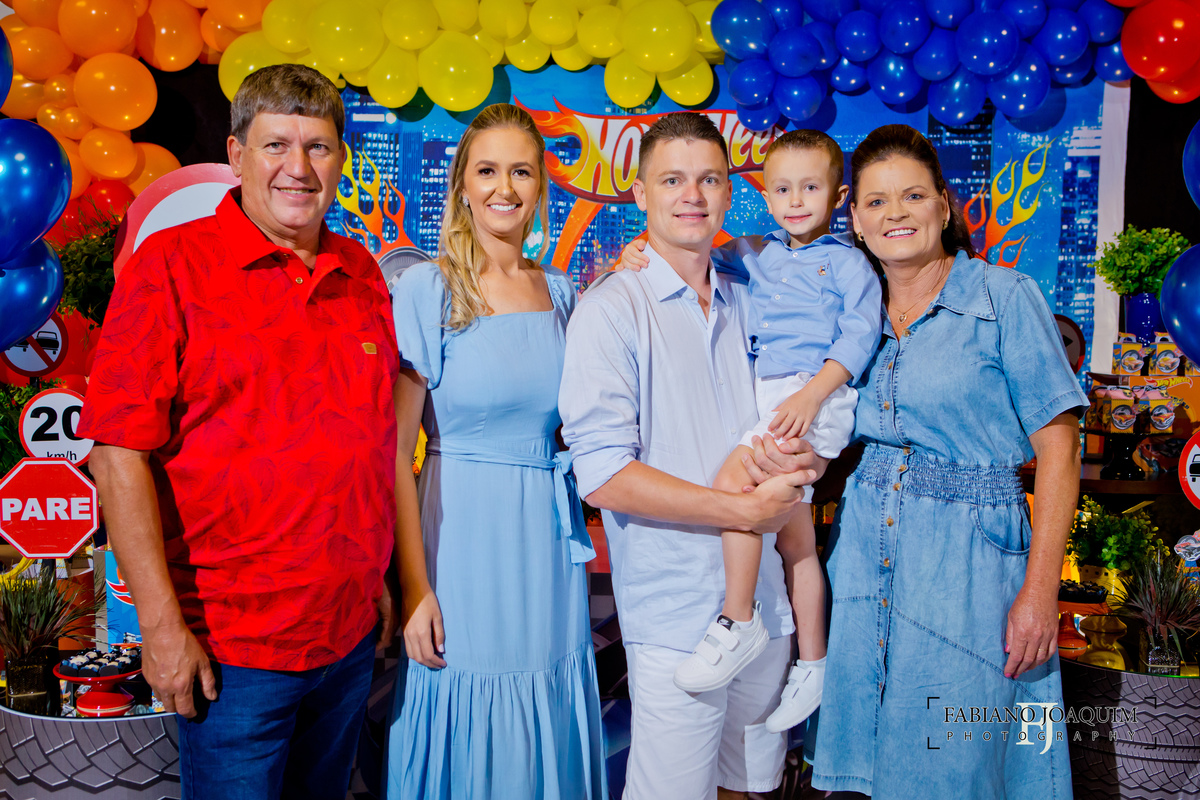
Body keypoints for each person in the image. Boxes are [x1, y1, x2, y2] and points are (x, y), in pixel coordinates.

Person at [80, 64, 398, 799]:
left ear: (341, 159)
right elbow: (118, 454)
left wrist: (375, 574)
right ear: (236, 153)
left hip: (347, 638)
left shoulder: (360, 272)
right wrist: (161, 627)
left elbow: (371, 441)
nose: (298, 167)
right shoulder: (171, 266)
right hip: (233, 651)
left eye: (318, 147)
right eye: (276, 144)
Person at [809, 124, 1084, 799]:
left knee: (959, 760)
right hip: (864, 551)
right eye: (875, 202)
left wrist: (1040, 592)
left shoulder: (1003, 297)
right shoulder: (847, 310)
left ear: (943, 204)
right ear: (855, 219)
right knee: (870, 759)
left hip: (971, 568)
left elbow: (1060, 448)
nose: (894, 214)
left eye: (911, 196)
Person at [560, 111, 825, 800]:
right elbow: (603, 476)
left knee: (751, 788)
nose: (692, 195)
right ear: (640, 192)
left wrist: (809, 461)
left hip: (767, 603)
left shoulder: (755, 298)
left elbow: (802, 404)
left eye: (708, 179)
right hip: (678, 611)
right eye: (672, 180)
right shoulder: (611, 308)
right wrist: (742, 510)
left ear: (730, 192)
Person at [616, 129, 881, 733]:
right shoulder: (757, 253)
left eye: (810, 188)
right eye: (782, 189)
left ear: (838, 196)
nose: (796, 201)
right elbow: (690, 252)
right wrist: (639, 250)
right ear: (763, 195)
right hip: (780, 394)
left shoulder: (849, 263)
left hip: (814, 393)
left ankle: (738, 619)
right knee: (796, 540)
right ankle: (814, 661)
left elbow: (860, 337)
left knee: (733, 482)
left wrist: (813, 396)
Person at [386, 103, 606, 800]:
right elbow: (394, 457)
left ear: (541, 185)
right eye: (487, 170)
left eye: (520, 171)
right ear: (462, 183)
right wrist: (415, 590)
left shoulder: (564, 294)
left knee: (545, 686)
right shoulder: (427, 289)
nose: (504, 187)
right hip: (460, 537)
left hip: (547, 541)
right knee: (466, 685)